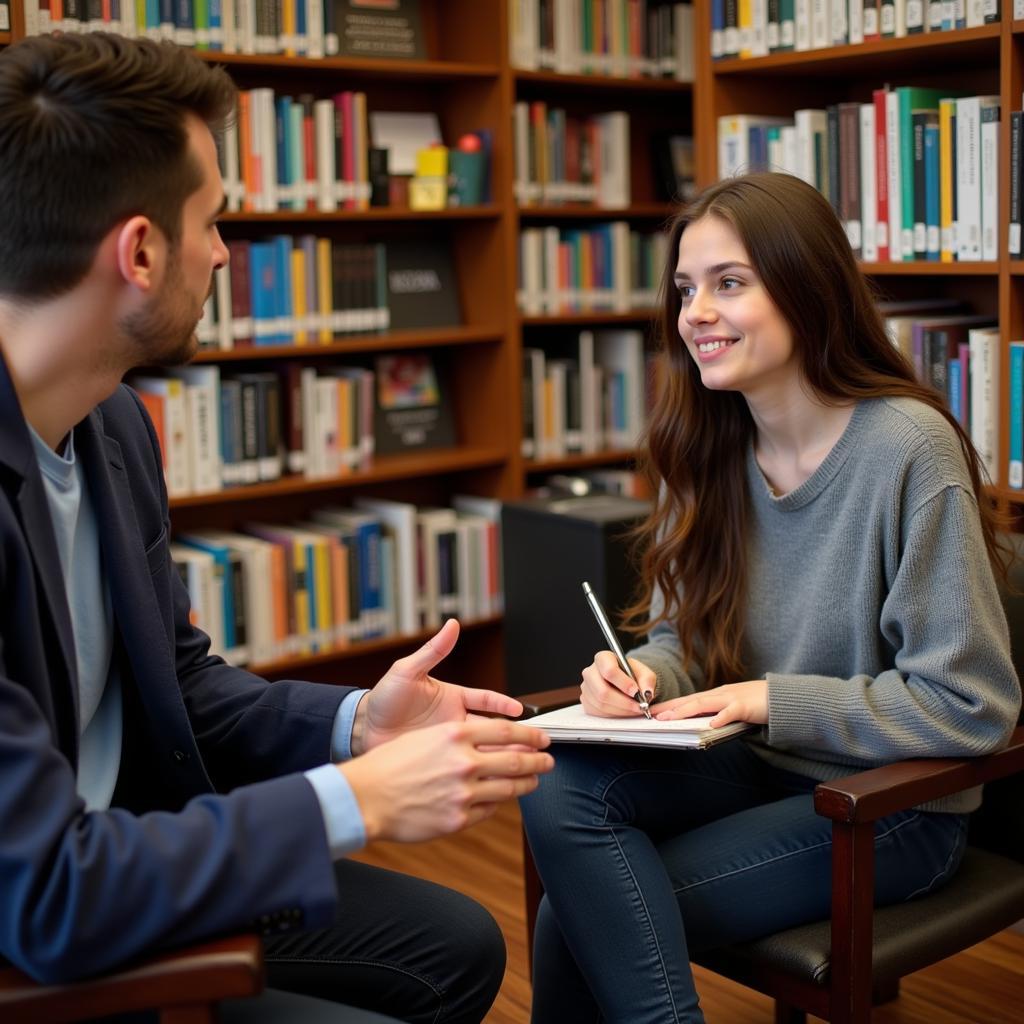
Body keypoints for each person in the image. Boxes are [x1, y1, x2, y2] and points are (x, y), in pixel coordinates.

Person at [0, 31, 554, 1024]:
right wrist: (365, 798)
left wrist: (357, 728)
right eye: (213, 221)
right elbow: (46, 894)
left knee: (458, 946)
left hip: (128, 850)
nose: (223, 252)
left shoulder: (114, 422)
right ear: (138, 250)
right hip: (44, 921)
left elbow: (181, 680)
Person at [520, 171, 1022, 1024]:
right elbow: (684, 640)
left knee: (580, 914)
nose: (695, 315)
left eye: (729, 284)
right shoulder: (707, 442)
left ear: (806, 286)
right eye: (686, 290)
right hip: (755, 767)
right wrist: (639, 676)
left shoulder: (909, 450)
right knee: (558, 782)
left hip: (890, 806)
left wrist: (764, 698)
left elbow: (970, 706)